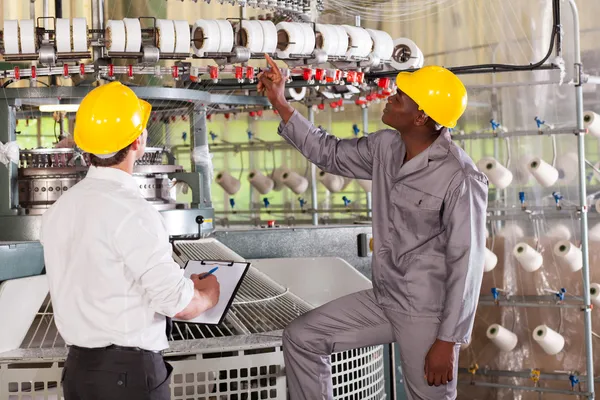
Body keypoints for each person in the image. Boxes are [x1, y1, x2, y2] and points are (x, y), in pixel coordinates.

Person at [257, 55, 488, 400]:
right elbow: (327, 152)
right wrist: (280, 100)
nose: (389, 99)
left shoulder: (460, 177)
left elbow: (467, 262)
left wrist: (448, 340)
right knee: (302, 337)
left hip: (427, 312)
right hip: (385, 296)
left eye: (400, 98)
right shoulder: (385, 147)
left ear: (421, 116)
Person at [40, 81, 221, 400]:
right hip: (127, 378)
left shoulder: (59, 209)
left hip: (79, 374)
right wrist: (208, 295)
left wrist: (182, 285)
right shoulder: (134, 212)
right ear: (138, 141)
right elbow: (176, 305)